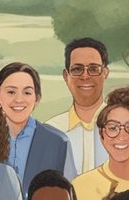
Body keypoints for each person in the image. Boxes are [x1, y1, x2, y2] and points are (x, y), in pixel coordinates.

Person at [0, 61, 77, 190]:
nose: (19, 99)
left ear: (36, 99)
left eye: (27, 93)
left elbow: (69, 195)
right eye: (11, 92)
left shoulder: (58, 142)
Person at [45, 38, 110, 175]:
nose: (85, 76)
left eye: (93, 69)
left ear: (105, 73)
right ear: (66, 75)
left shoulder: (126, 128)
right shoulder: (51, 131)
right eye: (77, 69)